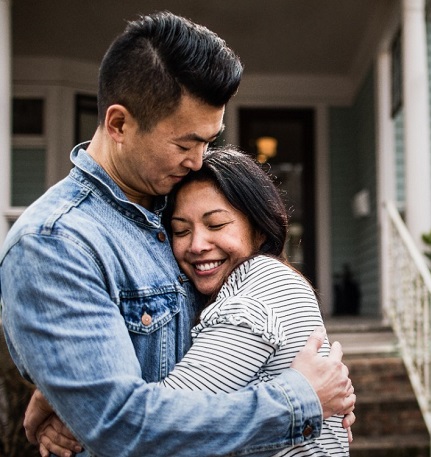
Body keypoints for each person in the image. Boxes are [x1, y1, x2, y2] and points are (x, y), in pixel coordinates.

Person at [0, 11, 354, 457]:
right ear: (118, 125)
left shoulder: (176, 202)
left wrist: (320, 406)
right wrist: (299, 403)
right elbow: (122, 427)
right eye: (185, 144)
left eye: (209, 142)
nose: (198, 160)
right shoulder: (56, 242)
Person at [161, 147, 349, 456]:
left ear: (259, 229)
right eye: (181, 230)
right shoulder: (260, 281)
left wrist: (76, 416)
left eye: (216, 225)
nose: (196, 245)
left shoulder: (261, 284)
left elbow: (169, 420)